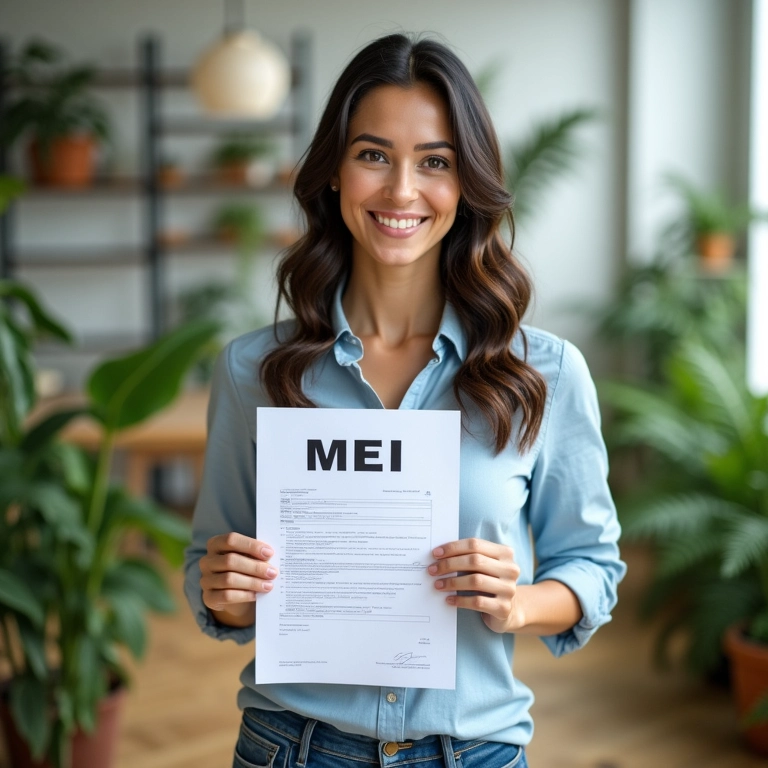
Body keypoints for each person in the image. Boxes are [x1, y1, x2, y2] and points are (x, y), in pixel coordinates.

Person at [184, 32, 626, 768]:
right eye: (372, 154)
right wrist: (229, 589)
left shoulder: (544, 372)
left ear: (467, 184)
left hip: (475, 748)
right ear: (333, 173)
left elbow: (593, 567)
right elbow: (217, 581)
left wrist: (516, 602)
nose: (400, 191)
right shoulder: (251, 371)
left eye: (435, 162)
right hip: (292, 746)